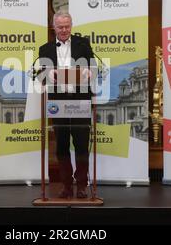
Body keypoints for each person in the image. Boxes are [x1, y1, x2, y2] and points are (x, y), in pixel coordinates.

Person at [39, 11, 95, 199]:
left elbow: (94, 69)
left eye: (67, 26)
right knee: (61, 145)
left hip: (80, 100)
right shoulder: (44, 49)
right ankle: (66, 186)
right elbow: (39, 75)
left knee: (81, 144)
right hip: (58, 102)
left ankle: (81, 185)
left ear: (71, 26)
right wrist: (49, 74)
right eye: (60, 27)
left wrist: (88, 71)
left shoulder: (83, 44)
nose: (64, 30)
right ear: (53, 27)